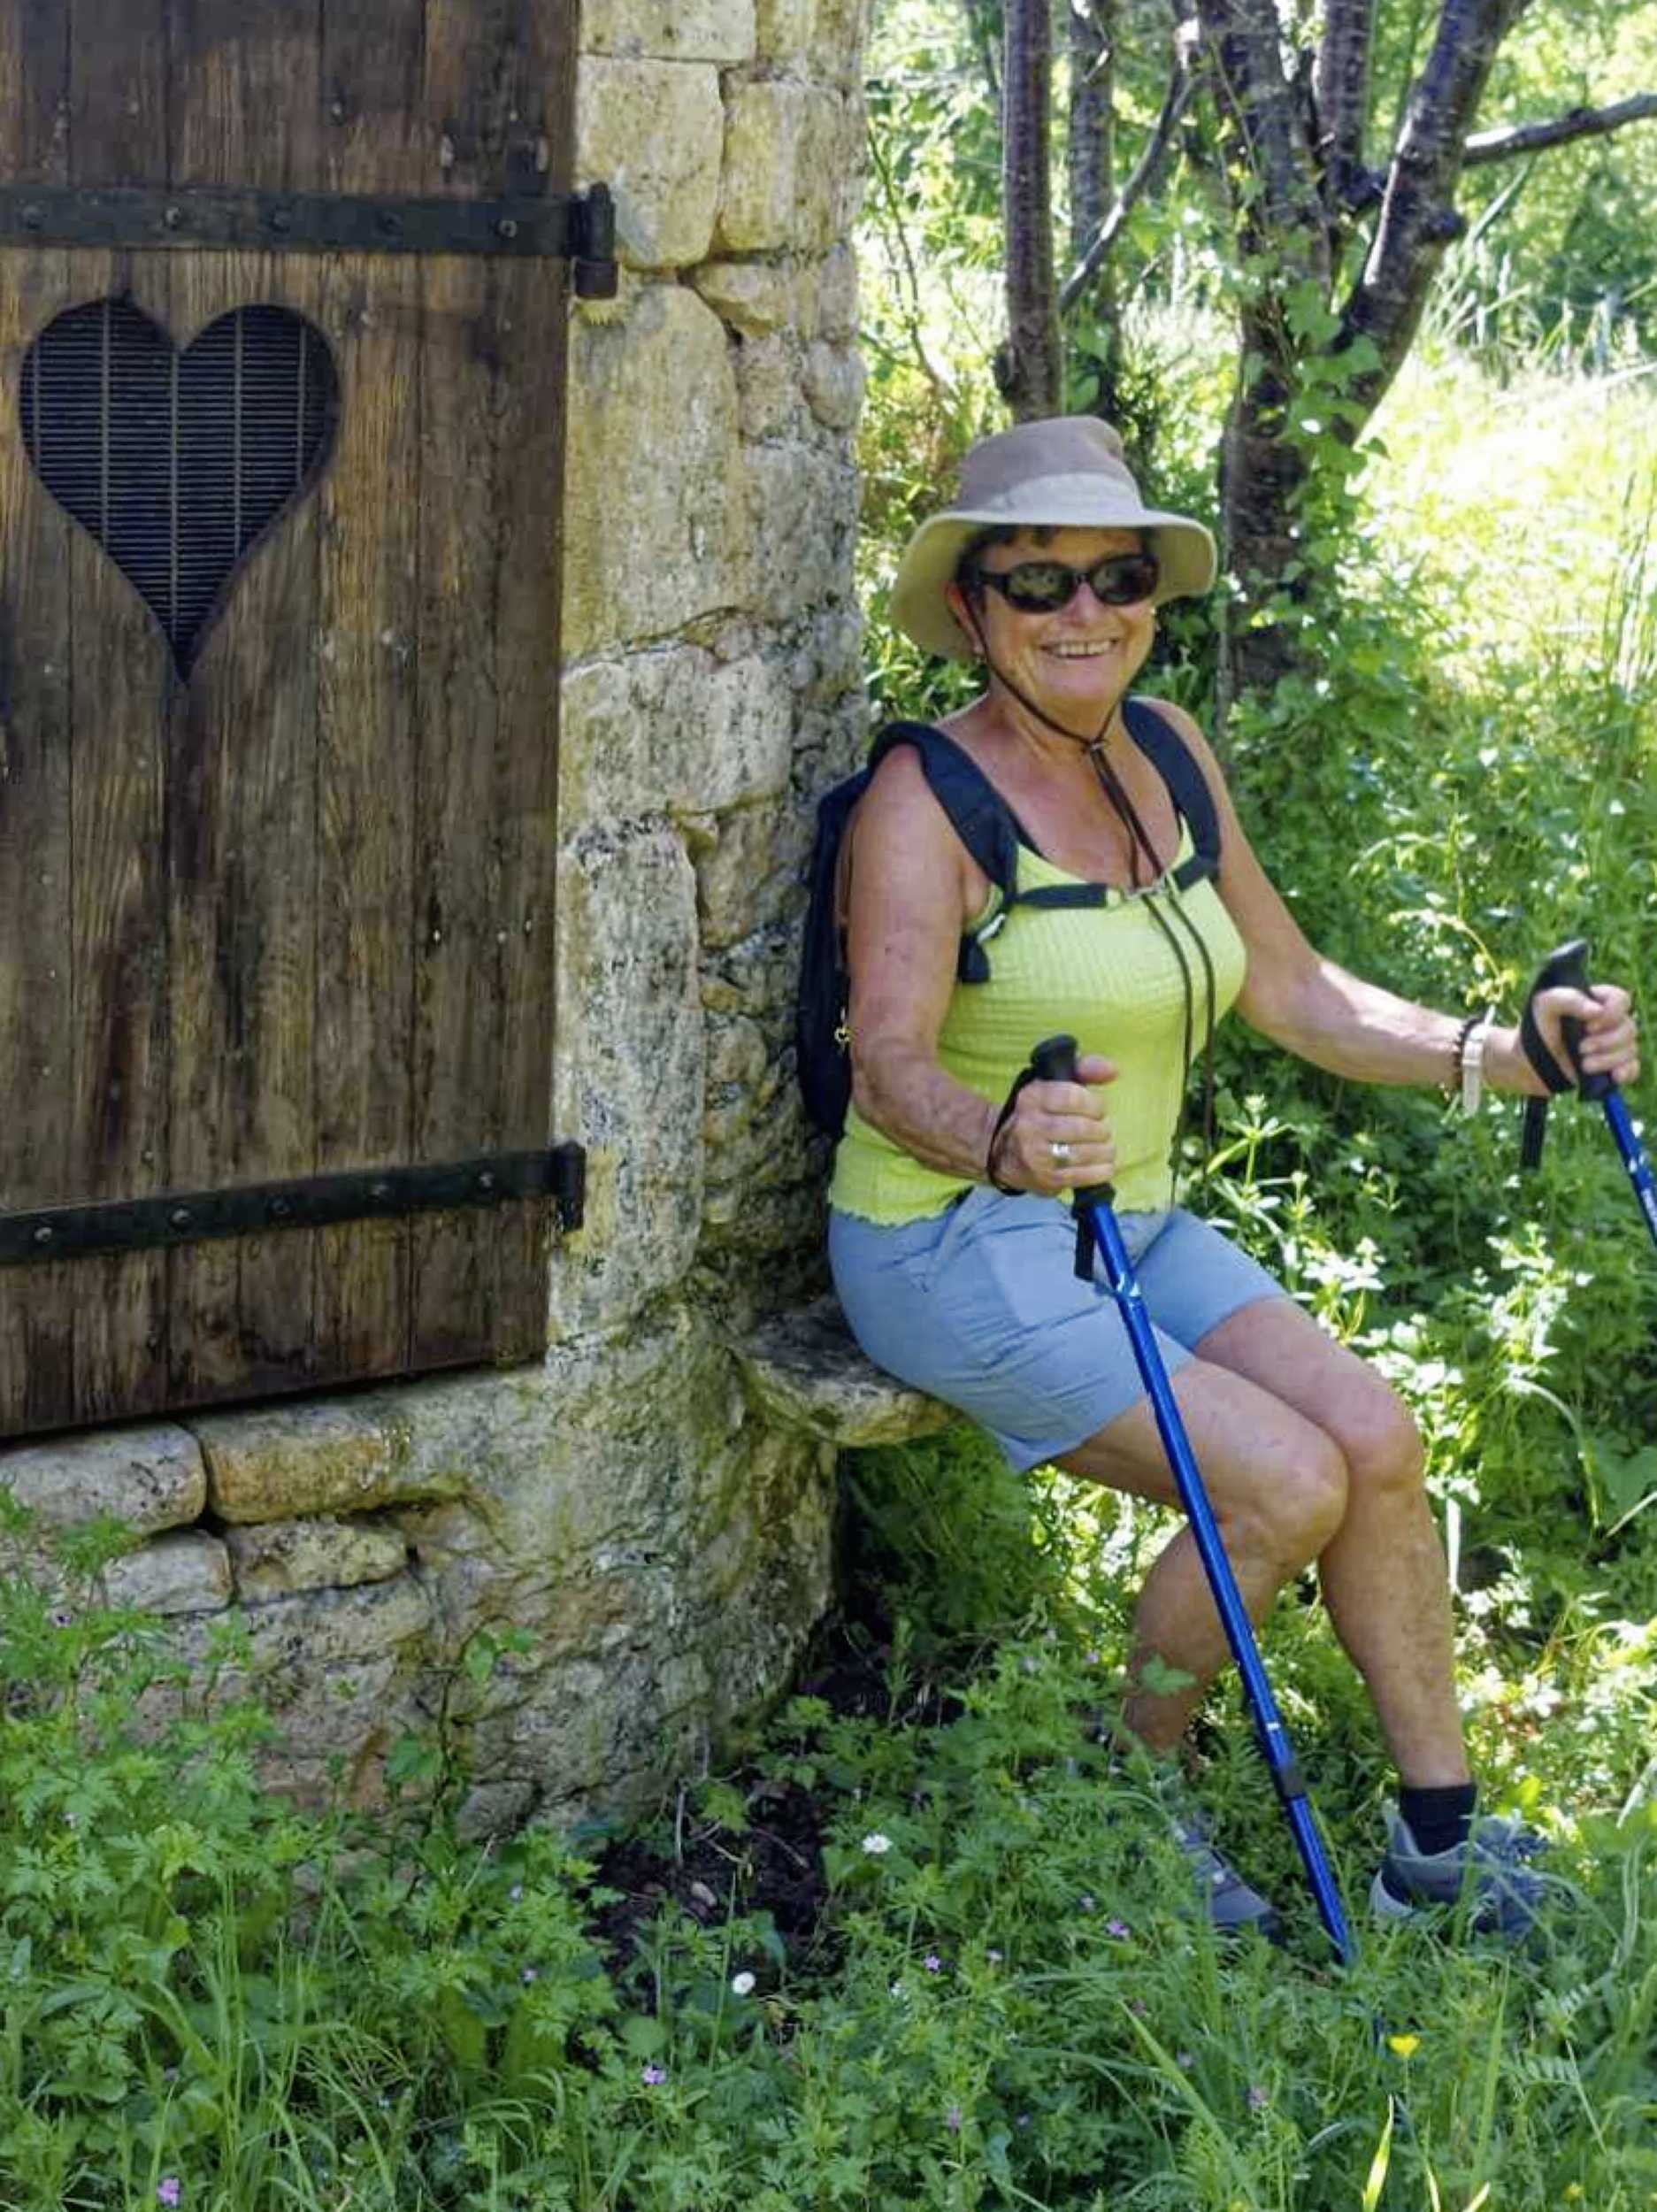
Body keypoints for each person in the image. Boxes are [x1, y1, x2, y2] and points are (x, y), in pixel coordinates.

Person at [827, 415, 1640, 1936]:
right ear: (971, 610)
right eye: (1038, 583)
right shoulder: (923, 803)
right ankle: (1125, 1800)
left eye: (1118, 576)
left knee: (1374, 1440)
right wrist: (1000, 1137)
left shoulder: (1166, 756)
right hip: (944, 1236)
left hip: (1121, 1219)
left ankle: (1438, 1850)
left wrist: (1500, 1056)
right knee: (1280, 1480)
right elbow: (885, 1063)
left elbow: (1292, 989)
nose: (1086, 612)